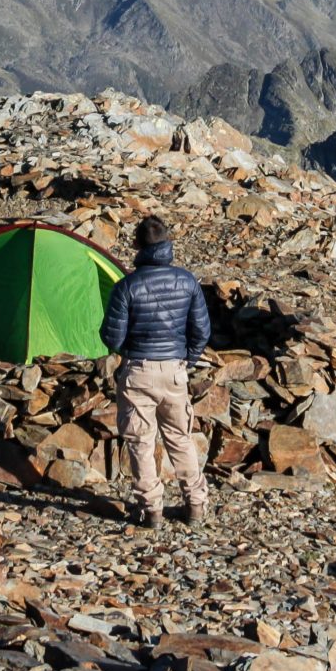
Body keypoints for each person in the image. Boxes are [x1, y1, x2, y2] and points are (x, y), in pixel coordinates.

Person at [98, 214, 213, 529]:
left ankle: (152, 512)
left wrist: (132, 354)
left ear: (137, 245)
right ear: (167, 244)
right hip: (175, 370)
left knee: (140, 442)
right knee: (180, 437)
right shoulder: (187, 280)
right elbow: (201, 331)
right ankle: (196, 507)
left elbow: (111, 338)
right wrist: (185, 362)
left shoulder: (126, 286)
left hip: (138, 370)